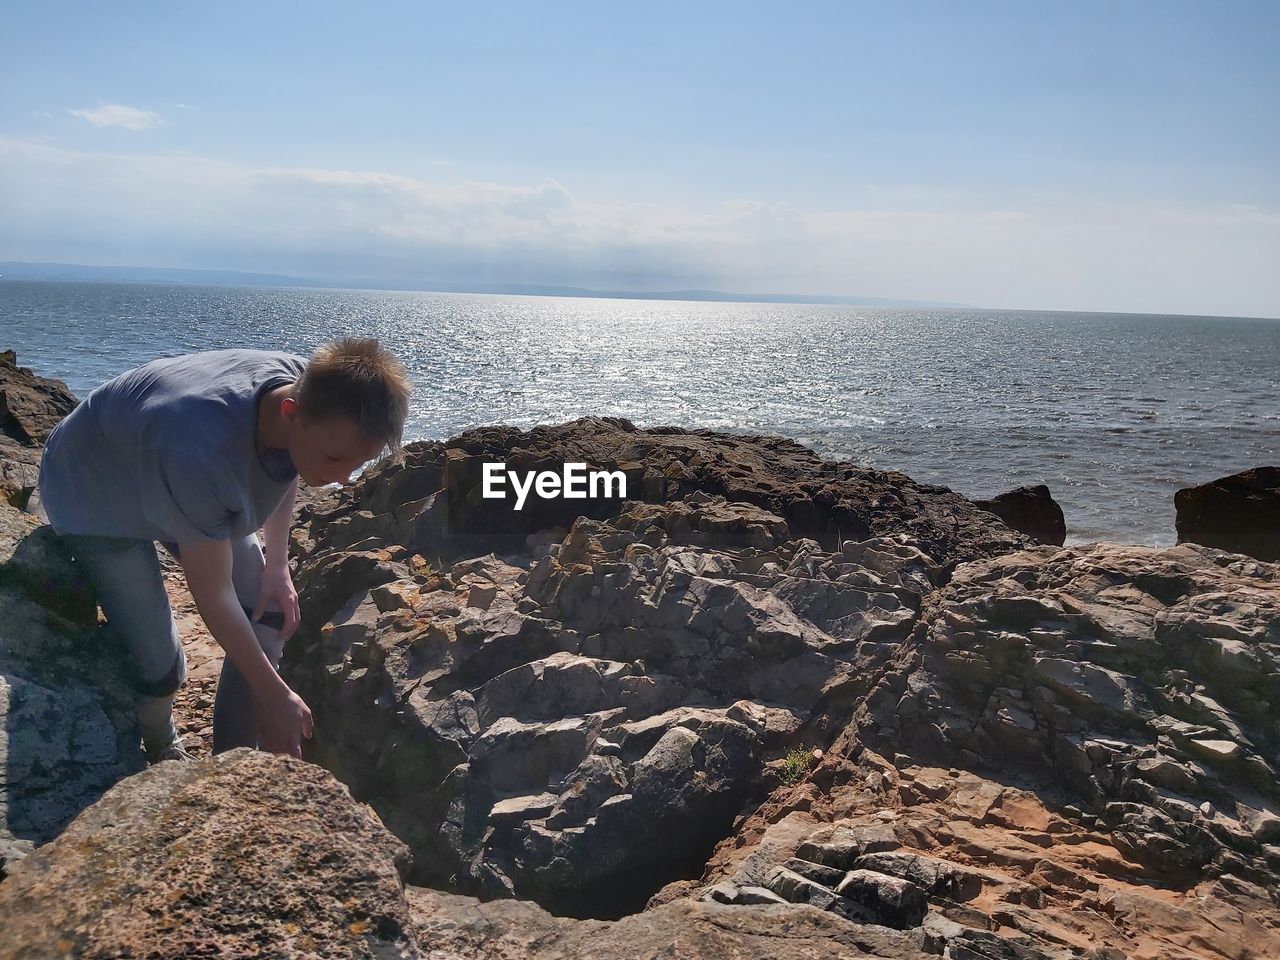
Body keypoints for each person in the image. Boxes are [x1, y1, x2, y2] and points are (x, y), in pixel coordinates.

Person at [37, 338, 412, 762]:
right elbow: (214, 594)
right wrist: (275, 695)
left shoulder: (304, 390)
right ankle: (161, 740)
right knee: (162, 665)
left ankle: (232, 764)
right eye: (334, 459)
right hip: (94, 494)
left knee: (267, 612)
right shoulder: (199, 450)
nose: (344, 479)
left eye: (355, 464)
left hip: (173, 470)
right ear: (292, 415)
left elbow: (284, 466)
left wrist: (277, 567)